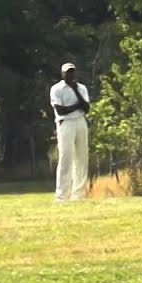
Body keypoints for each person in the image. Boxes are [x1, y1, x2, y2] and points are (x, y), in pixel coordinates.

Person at [49, 63, 90, 202]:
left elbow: (86, 108)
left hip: (80, 122)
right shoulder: (56, 89)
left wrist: (76, 91)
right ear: (62, 74)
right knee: (66, 157)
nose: (70, 75)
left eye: (72, 72)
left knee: (81, 158)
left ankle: (78, 195)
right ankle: (61, 196)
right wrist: (77, 106)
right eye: (67, 73)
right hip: (65, 123)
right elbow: (60, 110)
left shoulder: (81, 88)